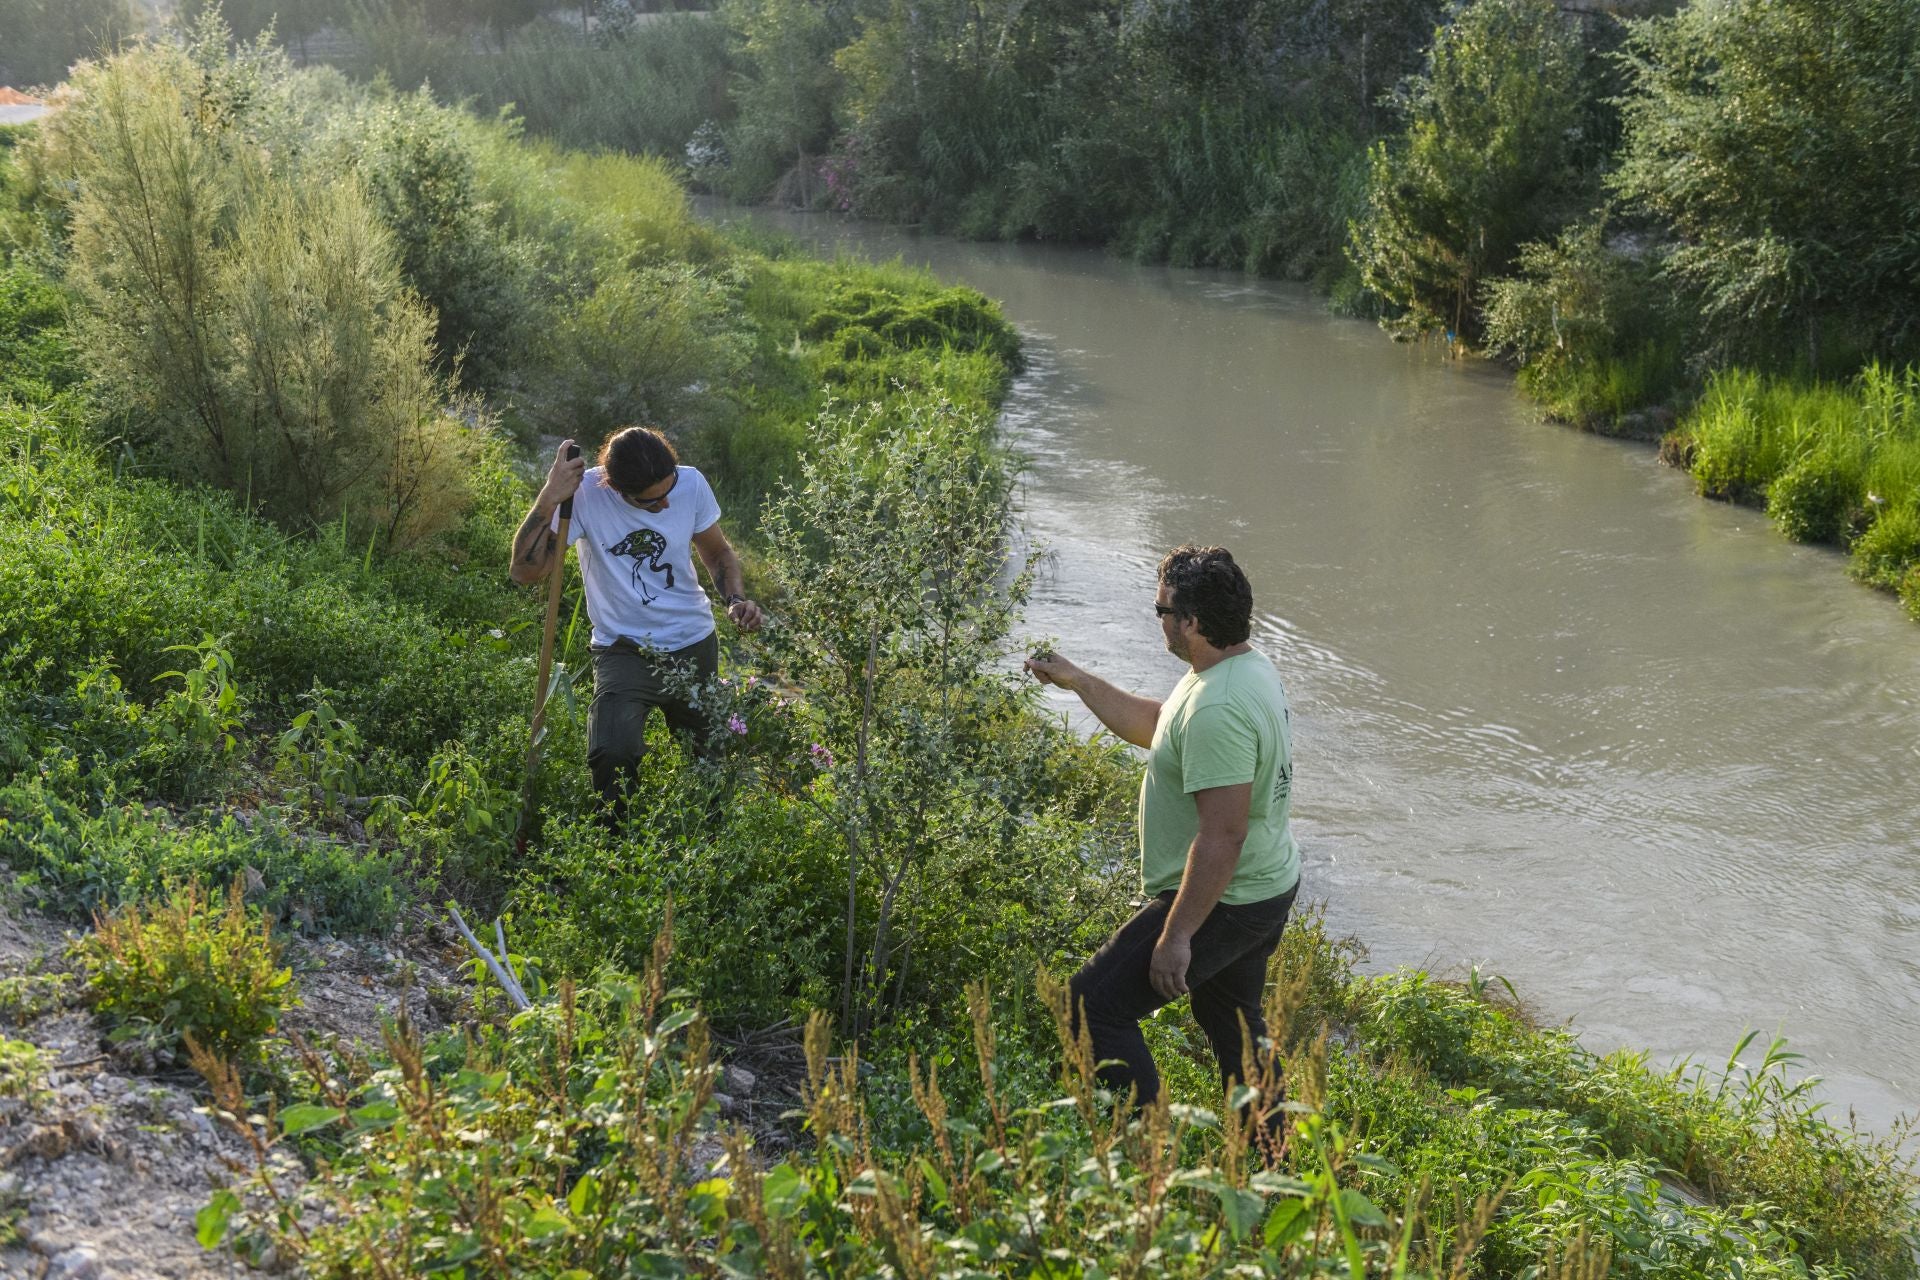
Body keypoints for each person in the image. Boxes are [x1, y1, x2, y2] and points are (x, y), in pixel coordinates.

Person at [1025, 545, 1299, 1120]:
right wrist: (1077, 680)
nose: (1158, 622)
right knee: (1233, 1026)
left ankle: (1147, 1157)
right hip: (1264, 887)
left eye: (1161, 612)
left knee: (1090, 1009)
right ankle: (1272, 1171)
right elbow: (1161, 727)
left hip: (1227, 897)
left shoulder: (1218, 706)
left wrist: (1177, 937)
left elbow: (1222, 837)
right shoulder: (1237, 669)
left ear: (1192, 622)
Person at [510, 427, 765, 812]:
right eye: (650, 503)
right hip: (623, 649)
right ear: (617, 488)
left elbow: (719, 555)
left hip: (693, 642)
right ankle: (617, 844)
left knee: (708, 762)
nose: (664, 506)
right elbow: (524, 572)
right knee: (611, 752)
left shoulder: (691, 484)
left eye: (668, 490)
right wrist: (549, 496)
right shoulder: (585, 495)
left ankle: (709, 848)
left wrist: (735, 600)